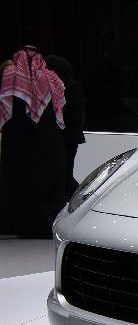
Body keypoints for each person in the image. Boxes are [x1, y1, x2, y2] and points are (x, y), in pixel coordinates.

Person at [0, 46, 68, 239]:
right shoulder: (51, 77)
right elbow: (59, 108)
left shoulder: (11, 74)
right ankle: (46, 225)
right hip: (48, 141)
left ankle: (21, 226)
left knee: (21, 181)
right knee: (47, 183)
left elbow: (5, 108)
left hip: (19, 140)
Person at [45, 55, 86, 199]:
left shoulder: (69, 86)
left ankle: (79, 197)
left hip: (67, 136)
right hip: (68, 135)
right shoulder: (68, 84)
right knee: (64, 171)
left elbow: (67, 109)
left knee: (65, 172)